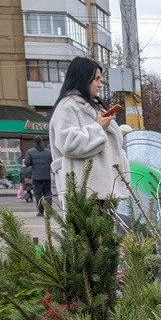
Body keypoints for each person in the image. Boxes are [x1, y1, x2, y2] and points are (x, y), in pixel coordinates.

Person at [48, 57, 129, 210]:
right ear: (84, 79)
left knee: (103, 232)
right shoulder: (68, 107)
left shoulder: (91, 106)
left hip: (100, 189)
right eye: (96, 79)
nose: (100, 84)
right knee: (86, 233)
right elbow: (69, 144)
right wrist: (98, 128)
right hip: (83, 192)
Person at [23, 135, 54, 216]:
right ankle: (49, 210)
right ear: (42, 142)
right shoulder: (48, 152)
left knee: (38, 195)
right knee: (47, 193)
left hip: (36, 177)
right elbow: (52, 162)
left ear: (34, 143)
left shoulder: (30, 152)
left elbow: (27, 163)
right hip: (47, 176)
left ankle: (40, 212)